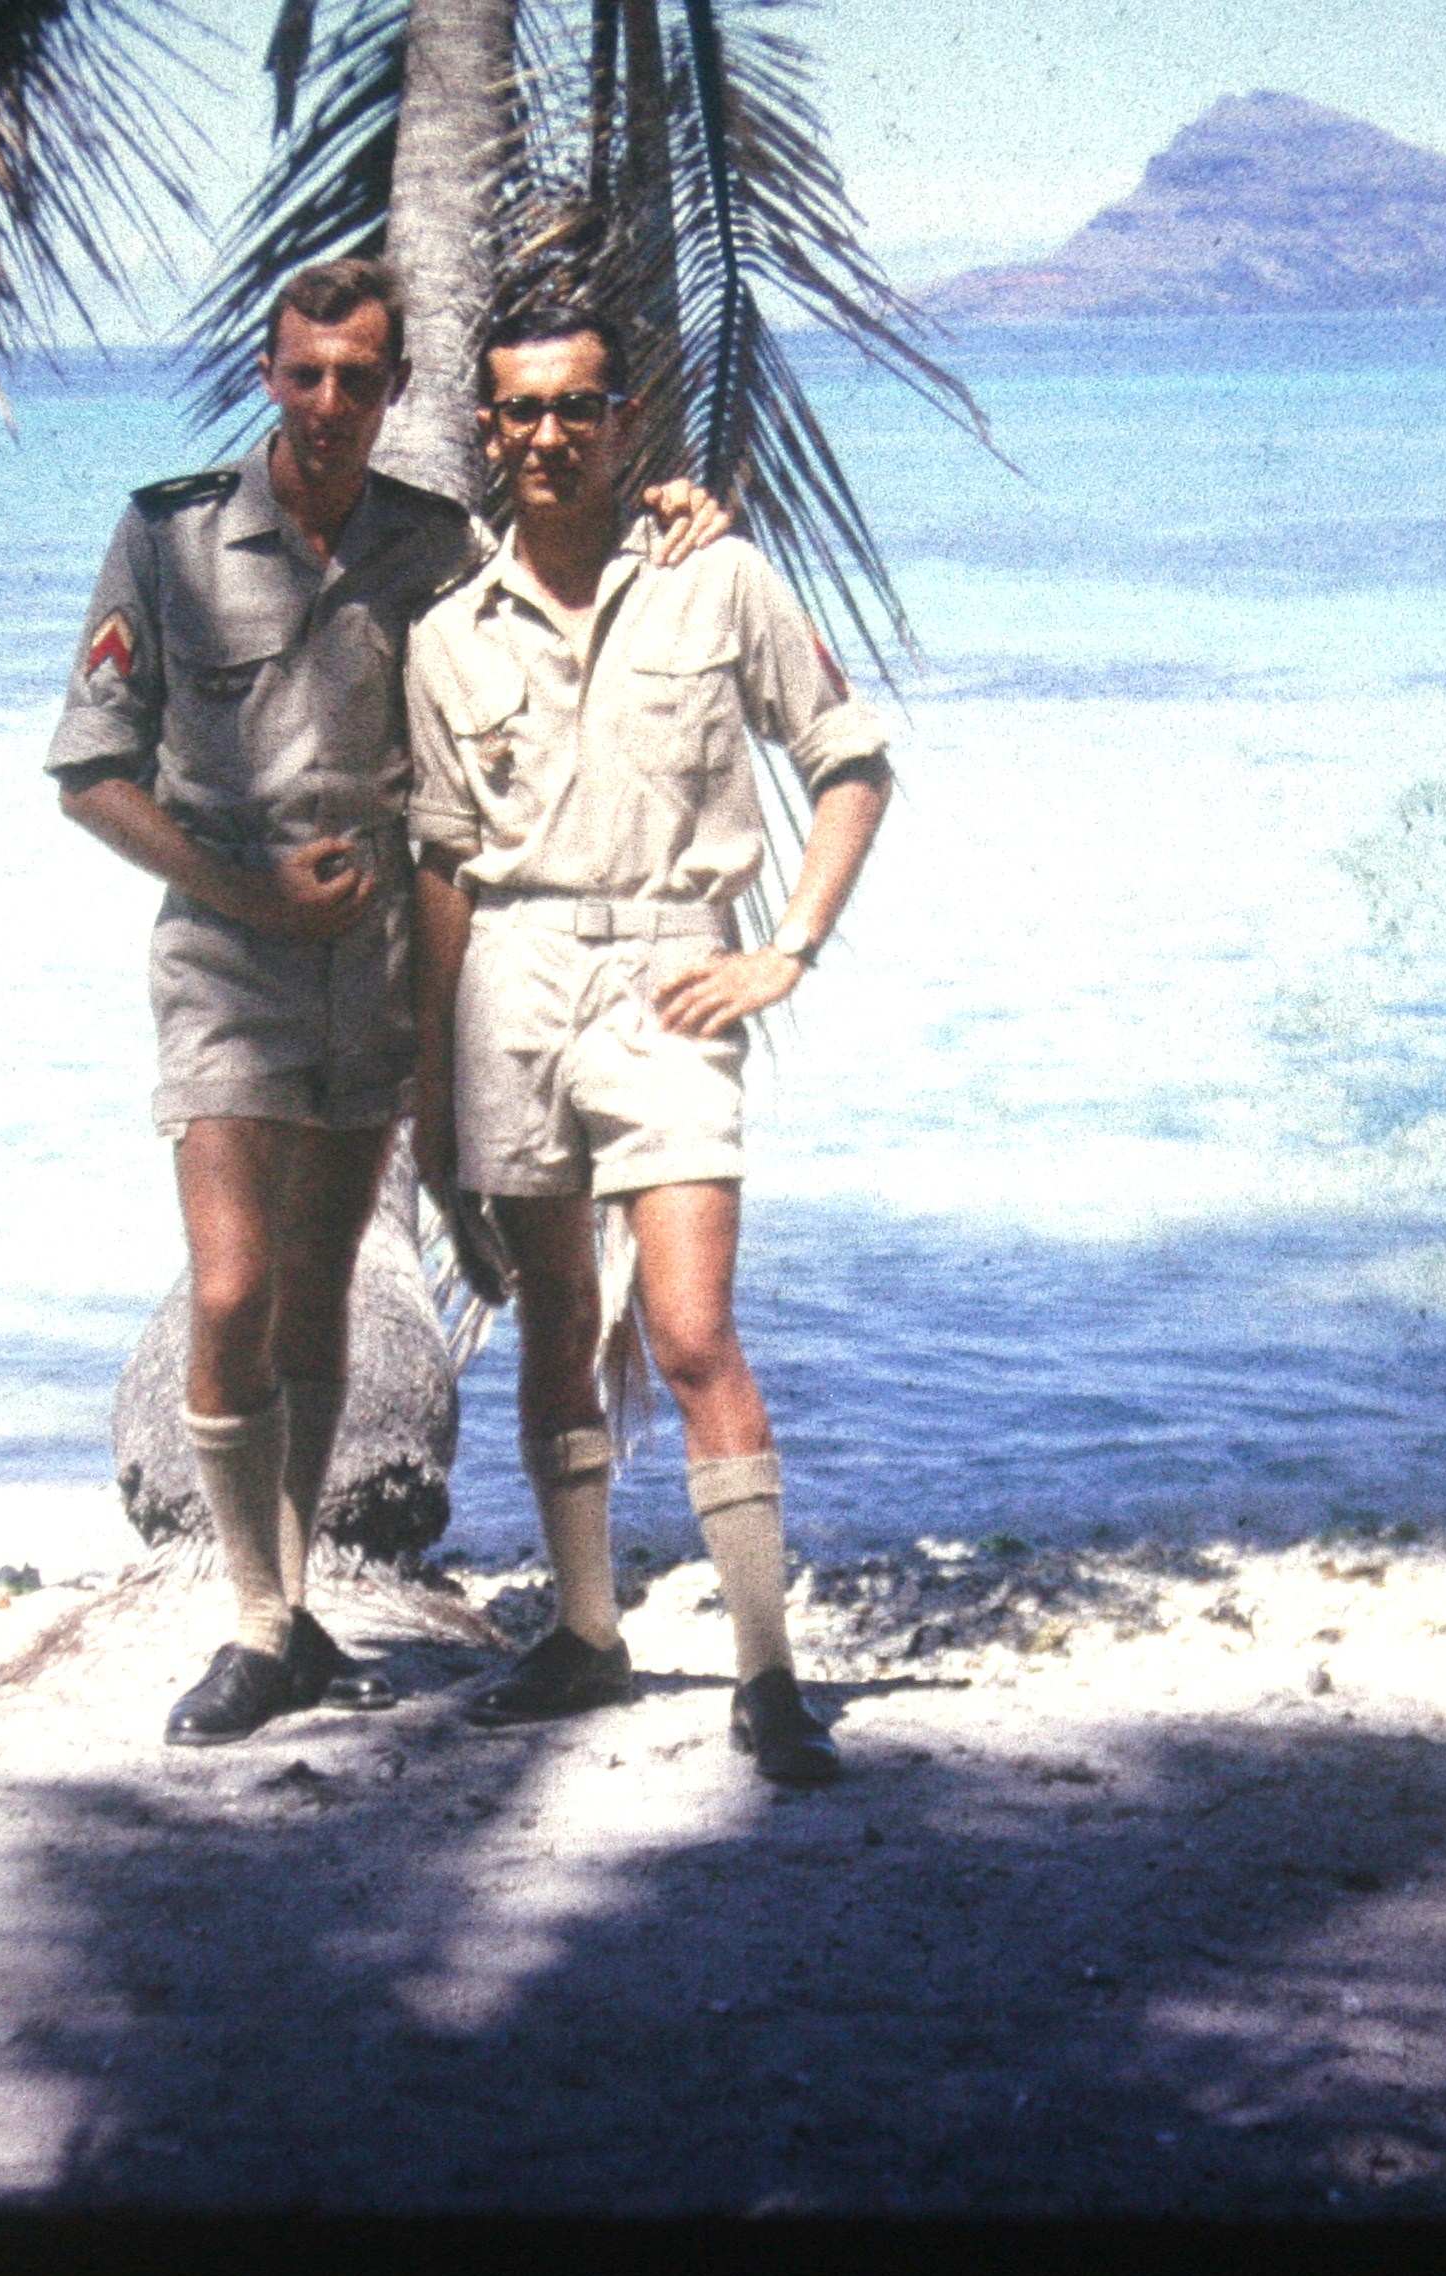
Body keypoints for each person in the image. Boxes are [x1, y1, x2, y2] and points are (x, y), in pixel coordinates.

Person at [47, 260, 722, 1747]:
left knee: (317, 1297)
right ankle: (251, 1617)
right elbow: (90, 774)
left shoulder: (434, 544)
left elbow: (560, 597)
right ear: (269, 375)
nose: (331, 402)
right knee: (232, 1290)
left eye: (360, 377)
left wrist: (680, 516)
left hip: (384, 977)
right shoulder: (169, 539)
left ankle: (290, 1619)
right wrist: (247, 893)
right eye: (306, 374)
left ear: (398, 387)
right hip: (225, 968)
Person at [404, 303, 893, 1786]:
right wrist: (435, 1086)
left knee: (688, 1332)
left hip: (674, 975)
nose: (550, 434)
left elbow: (853, 763)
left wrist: (786, 950)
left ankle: (768, 1674)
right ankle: (586, 1635)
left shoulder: (718, 577)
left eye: (579, 406)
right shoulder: (446, 636)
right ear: (489, 432)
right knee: (555, 1323)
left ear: (625, 420)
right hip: (511, 986)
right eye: (523, 411)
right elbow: (443, 863)